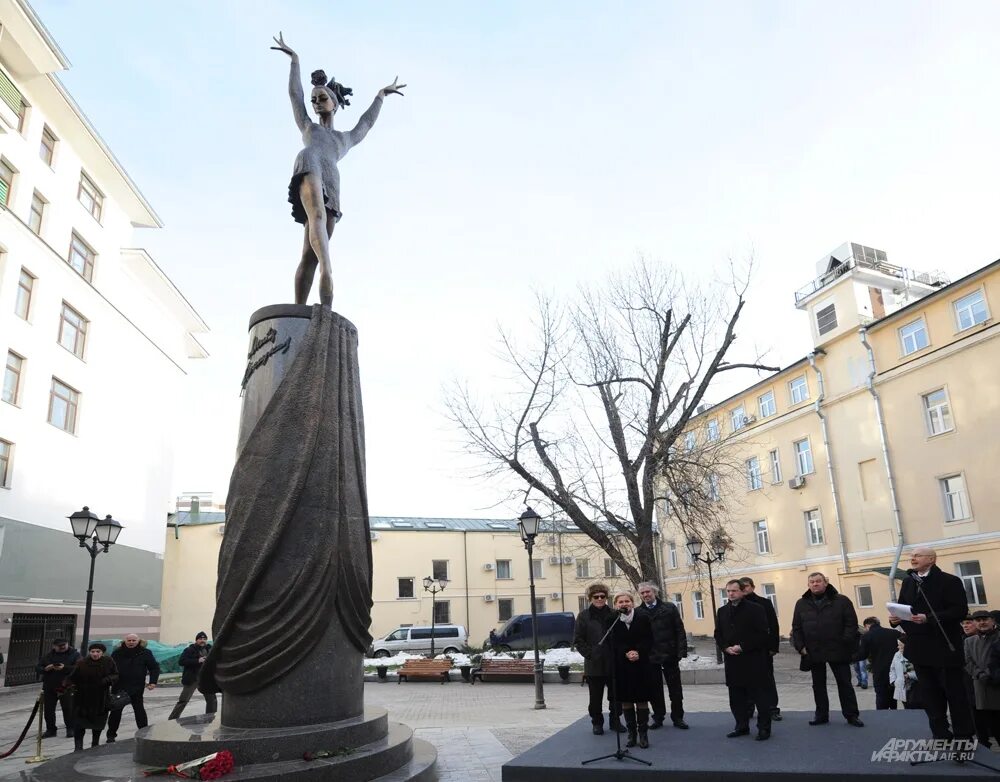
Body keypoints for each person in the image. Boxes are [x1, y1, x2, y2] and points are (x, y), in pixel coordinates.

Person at [270, 33, 405, 308]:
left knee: (311, 250)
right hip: (310, 164)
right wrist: (295, 61)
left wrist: (380, 96)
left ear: (334, 102)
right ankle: (327, 272)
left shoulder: (344, 139)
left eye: (321, 98)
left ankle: (302, 310)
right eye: (314, 99)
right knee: (318, 226)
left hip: (331, 183)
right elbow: (295, 95)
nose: (317, 102)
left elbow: (365, 124)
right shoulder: (309, 127)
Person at [889, 546, 973, 739]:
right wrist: (896, 619)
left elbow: (959, 610)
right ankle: (941, 735)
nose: (912, 559)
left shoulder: (949, 581)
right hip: (919, 649)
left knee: (955, 695)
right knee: (931, 696)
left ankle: (963, 737)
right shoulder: (909, 582)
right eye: (911, 556)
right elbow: (904, 609)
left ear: (931, 559)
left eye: (917, 556)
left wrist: (929, 618)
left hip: (944, 648)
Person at [791, 572, 864, 727]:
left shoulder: (841, 601)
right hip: (813, 650)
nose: (815, 584)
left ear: (826, 583)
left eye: (818, 581)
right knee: (818, 685)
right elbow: (796, 627)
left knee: (844, 683)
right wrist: (800, 647)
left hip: (838, 649)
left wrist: (845, 641)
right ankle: (821, 715)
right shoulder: (801, 603)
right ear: (808, 585)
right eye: (812, 582)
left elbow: (851, 624)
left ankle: (851, 715)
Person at [715, 579, 773, 741]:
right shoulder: (722, 611)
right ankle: (741, 726)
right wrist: (725, 647)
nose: (731, 594)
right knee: (736, 697)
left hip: (753, 660)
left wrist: (743, 646)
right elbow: (718, 633)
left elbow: (762, 634)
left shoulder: (756, 609)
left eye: (734, 590)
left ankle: (764, 728)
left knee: (760, 697)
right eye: (728, 591)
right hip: (733, 662)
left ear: (742, 591)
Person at [636, 581, 688, 729]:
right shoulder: (638, 612)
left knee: (675, 689)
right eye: (643, 593)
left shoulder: (669, 608)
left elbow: (679, 630)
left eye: (648, 592)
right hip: (650, 657)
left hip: (669, 654)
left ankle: (678, 717)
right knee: (654, 689)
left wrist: (681, 651)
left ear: (655, 592)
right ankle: (658, 717)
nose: (646, 595)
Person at [574, 582, 624, 735]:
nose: (600, 599)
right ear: (590, 598)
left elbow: (622, 637)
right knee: (595, 698)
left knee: (615, 696)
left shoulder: (614, 614)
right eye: (596, 596)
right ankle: (597, 722)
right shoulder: (584, 616)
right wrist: (590, 654)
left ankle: (615, 721)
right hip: (594, 664)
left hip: (613, 662)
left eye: (603, 596)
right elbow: (578, 640)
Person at [610, 591, 654, 749]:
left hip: (641, 664)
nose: (624, 604)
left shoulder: (643, 617)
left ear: (632, 603)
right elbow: (613, 642)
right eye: (620, 602)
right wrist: (625, 653)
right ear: (616, 605)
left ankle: (643, 734)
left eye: (627, 601)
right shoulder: (613, 620)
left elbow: (649, 638)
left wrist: (638, 652)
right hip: (622, 665)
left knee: (642, 699)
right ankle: (631, 734)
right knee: (626, 700)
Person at [739, 577, 781, 722]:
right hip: (744, 650)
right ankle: (749, 708)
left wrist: (773, 647)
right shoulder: (736, 605)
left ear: (753, 587)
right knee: (746, 680)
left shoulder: (764, 603)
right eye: (741, 587)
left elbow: (773, 626)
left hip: (763, 649)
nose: (744, 589)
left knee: (767, 679)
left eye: (746, 586)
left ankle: (772, 708)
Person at [106, 634, 160, 742]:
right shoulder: (117, 652)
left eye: (134, 640)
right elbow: (109, 668)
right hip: (119, 686)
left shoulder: (145, 652)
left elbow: (154, 668)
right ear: (124, 641)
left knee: (139, 710)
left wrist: (153, 682)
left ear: (138, 641)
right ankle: (111, 735)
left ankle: (144, 733)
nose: (131, 642)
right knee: (116, 711)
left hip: (137, 686)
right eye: (129, 640)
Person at [65, 642, 117, 751]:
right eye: (93, 651)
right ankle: (78, 747)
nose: (95, 654)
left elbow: (115, 675)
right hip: (82, 698)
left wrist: (106, 680)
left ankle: (95, 744)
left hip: (100, 698)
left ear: (102, 652)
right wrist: (67, 684)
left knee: (97, 723)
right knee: (79, 724)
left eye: (98, 652)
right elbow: (72, 677)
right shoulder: (82, 663)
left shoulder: (108, 661)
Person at [964, 610, 1000, 749]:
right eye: (978, 620)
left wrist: (993, 674)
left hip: (997, 684)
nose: (982, 622)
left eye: (985, 619)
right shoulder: (969, 641)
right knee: (986, 722)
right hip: (980, 686)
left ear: (992, 621)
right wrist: (980, 674)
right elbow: (967, 661)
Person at [35, 638, 80, 738]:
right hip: (49, 686)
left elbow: (78, 668)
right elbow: (38, 668)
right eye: (59, 646)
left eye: (64, 645)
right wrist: (46, 669)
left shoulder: (75, 655)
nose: (62, 647)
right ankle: (51, 730)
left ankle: (70, 728)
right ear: (54, 646)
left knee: (68, 708)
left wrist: (64, 668)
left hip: (67, 686)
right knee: (49, 709)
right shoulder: (48, 656)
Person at [169, 632, 218, 720]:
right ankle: (173, 718)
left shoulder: (210, 648)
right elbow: (182, 661)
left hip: (206, 679)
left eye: (204, 639)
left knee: (212, 700)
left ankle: (210, 718)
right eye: (200, 639)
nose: (202, 641)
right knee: (183, 700)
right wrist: (197, 660)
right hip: (192, 678)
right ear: (196, 640)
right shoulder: (190, 650)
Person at [855, 617, 902, 709]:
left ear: (867, 626)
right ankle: (894, 714)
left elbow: (863, 655)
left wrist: (849, 657)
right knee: (893, 697)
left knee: (881, 697)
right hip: (895, 670)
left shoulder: (867, 636)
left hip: (879, 670)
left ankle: (882, 717)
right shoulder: (894, 633)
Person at [890, 636, 922, 709]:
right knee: (906, 707)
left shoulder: (913, 654)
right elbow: (892, 669)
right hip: (901, 686)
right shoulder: (897, 654)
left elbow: (920, 672)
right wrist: (893, 681)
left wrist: (909, 675)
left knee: (915, 707)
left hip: (915, 687)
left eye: (900, 645)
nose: (898, 647)